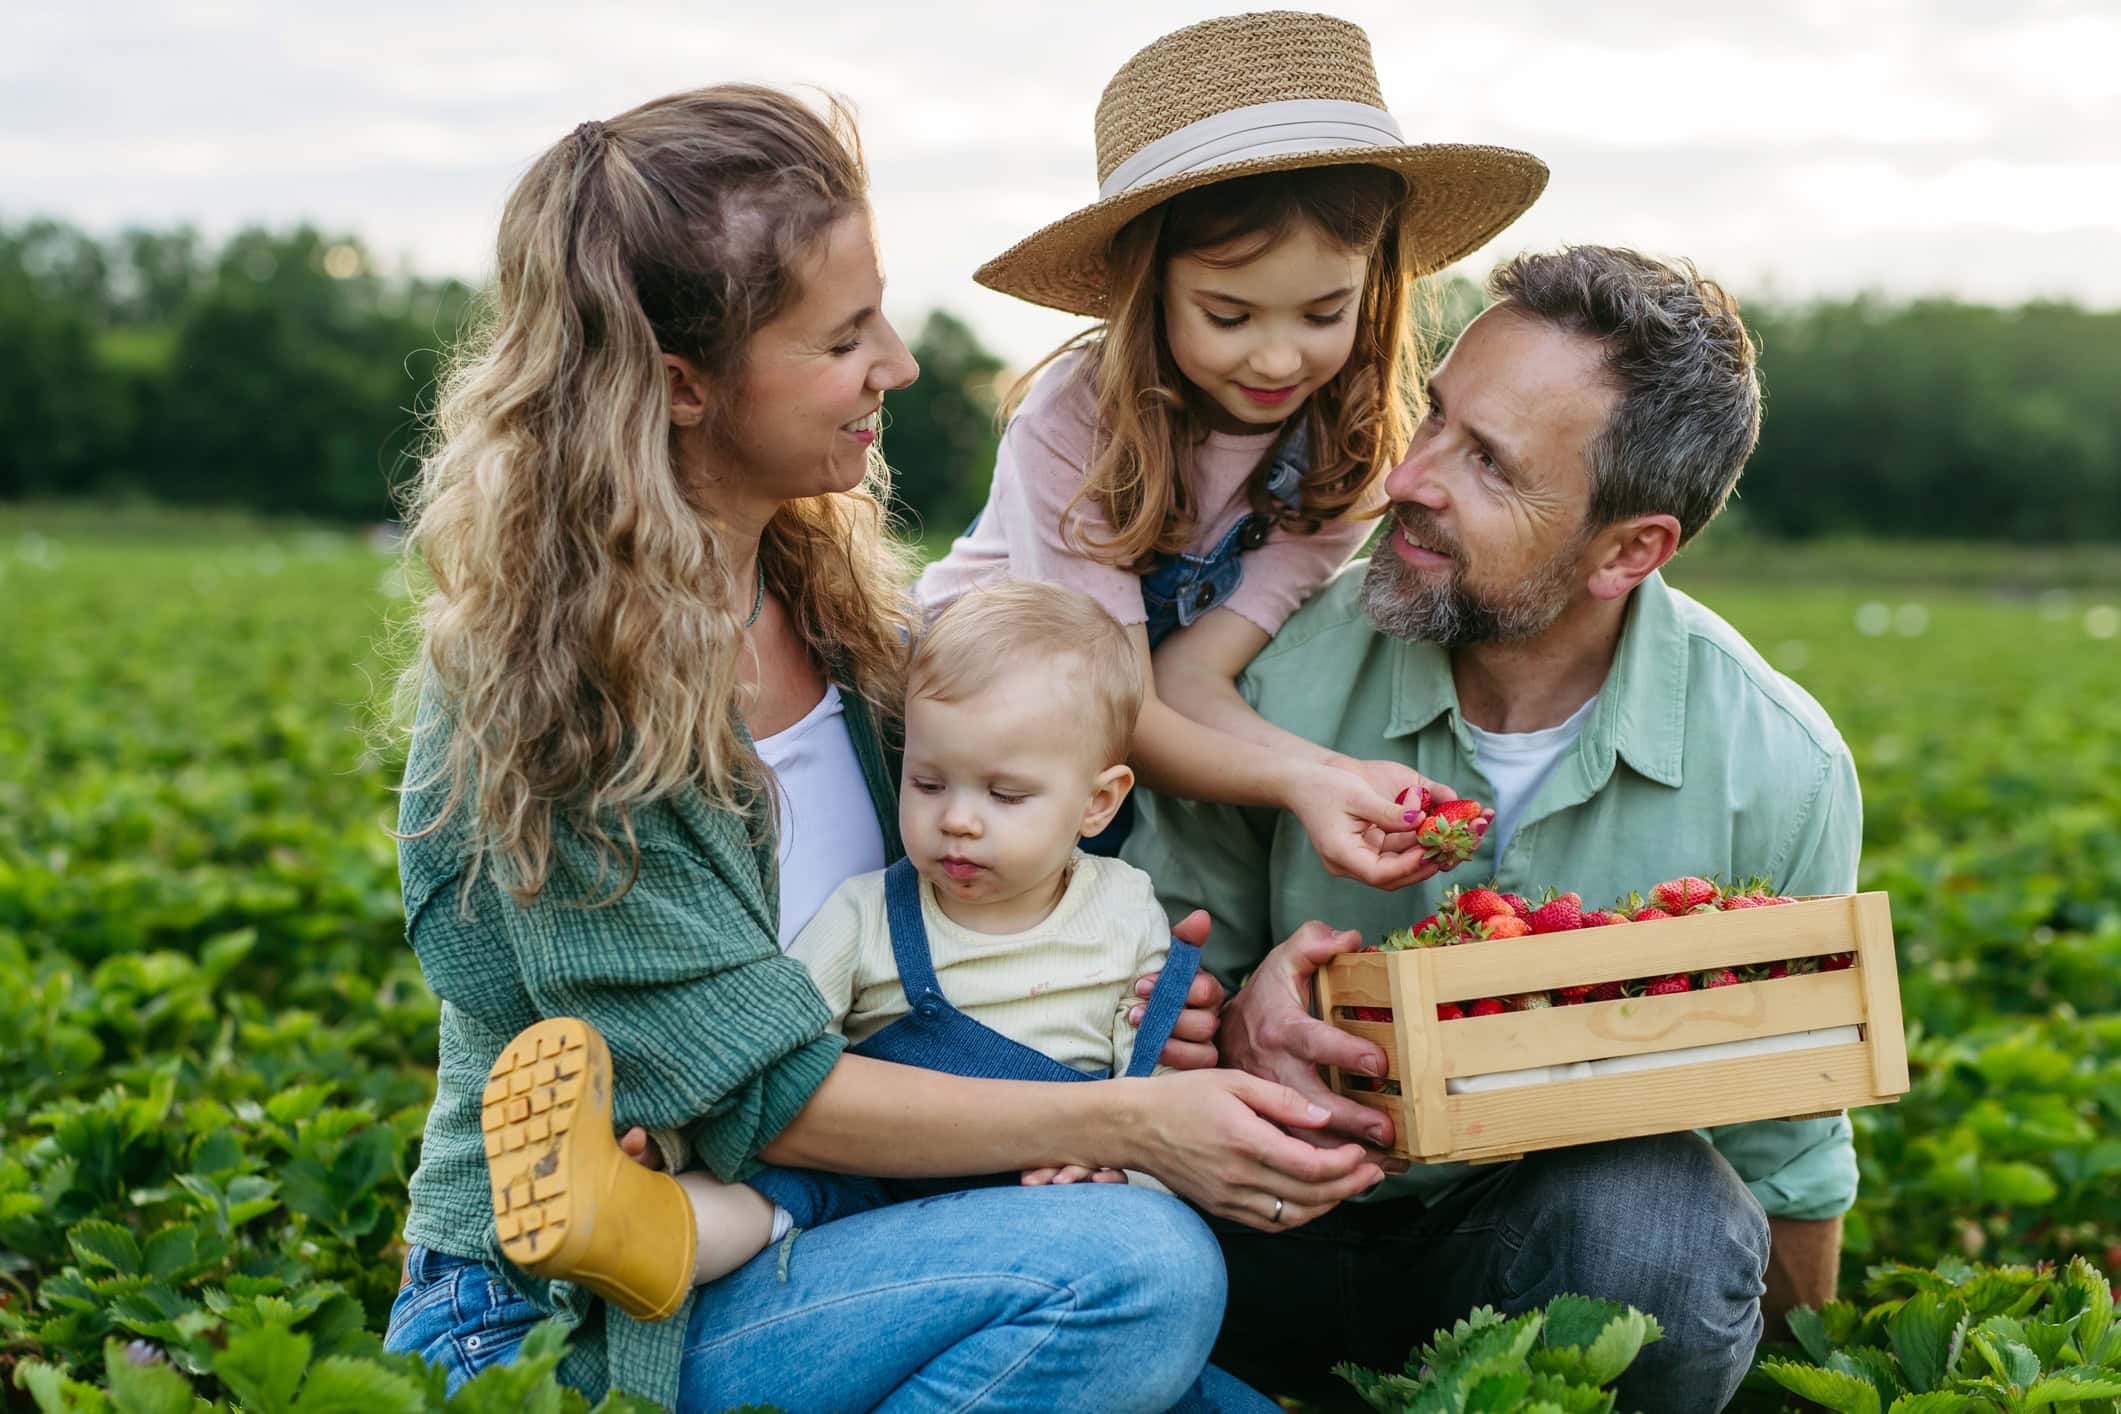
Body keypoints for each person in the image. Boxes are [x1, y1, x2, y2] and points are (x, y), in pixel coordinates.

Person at [381, 85, 1381, 1414]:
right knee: (1137, 1268)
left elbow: (965, 936)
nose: (898, 364)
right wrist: (1128, 1125)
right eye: (845, 338)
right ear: (685, 387)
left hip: (825, 1240)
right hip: (566, 1317)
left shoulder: (842, 617)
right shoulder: (560, 693)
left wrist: (1161, 1026)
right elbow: (772, 1100)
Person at [1125, 245, 1863, 1414]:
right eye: (1434, 420)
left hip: (1530, 1259)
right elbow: (1132, 1000)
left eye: (1490, 465)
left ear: (1630, 550)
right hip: (1256, 1225)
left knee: (1662, 1223)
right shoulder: (1270, 677)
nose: (1409, 479)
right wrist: (1229, 1030)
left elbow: (1788, 1138)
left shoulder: (1776, 765)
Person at [919, 11, 1543, 883]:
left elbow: (1187, 683)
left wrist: (1332, 779)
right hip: (956, 755)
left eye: (1323, 313)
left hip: (1106, 774)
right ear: (1149, 287)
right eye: (1229, 315)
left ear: (1373, 285)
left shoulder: (1350, 454)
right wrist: (1299, 780)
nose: (1280, 357)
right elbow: (1116, 704)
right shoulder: (1074, 425)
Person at [557, 578, 1211, 1289]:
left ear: (1098, 802)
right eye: (928, 784)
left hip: (1045, 1186)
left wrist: (1123, 1173)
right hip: (874, 1179)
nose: (957, 819)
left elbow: (1148, 1069)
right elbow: (768, 1056)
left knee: (1143, 1245)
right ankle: (624, 1231)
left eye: (1004, 795)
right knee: (762, 1200)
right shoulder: (866, 912)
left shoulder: (1124, 908)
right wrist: (672, 1141)